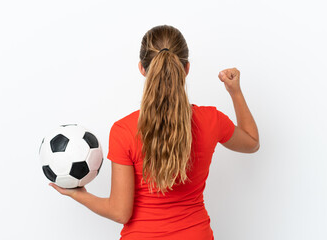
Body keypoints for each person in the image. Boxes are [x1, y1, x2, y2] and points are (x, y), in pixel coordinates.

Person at [49, 24, 260, 240]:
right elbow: (252, 142)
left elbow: (120, 212)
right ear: (186, 69)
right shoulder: (211, 120)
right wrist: (235, 92)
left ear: (142, 68)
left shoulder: (124, 130)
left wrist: (77, 193)